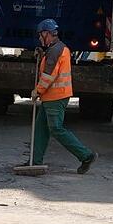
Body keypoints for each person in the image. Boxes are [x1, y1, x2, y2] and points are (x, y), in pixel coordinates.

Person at [29, 19, 97, 174]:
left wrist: (37, 91)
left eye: (40, 35)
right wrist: (42, 54)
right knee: (41, 129)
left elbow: (49, 76)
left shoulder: (55, 51)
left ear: (47, 33)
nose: (39, 38)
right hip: (52, 96)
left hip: (55, 97)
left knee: (56, 129)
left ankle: (86, 156)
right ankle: (35, 160)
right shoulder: (57, 48)